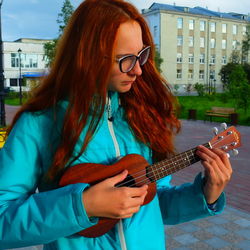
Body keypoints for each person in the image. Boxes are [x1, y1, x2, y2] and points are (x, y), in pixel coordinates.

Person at [0, 0, 232, 249]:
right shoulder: (39, 123)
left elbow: (152, 201)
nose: (139, 71)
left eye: (141, 55)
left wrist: (206, 193)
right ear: (87, 56)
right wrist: (82, 206)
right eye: (125, 59)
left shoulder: (141, 115)